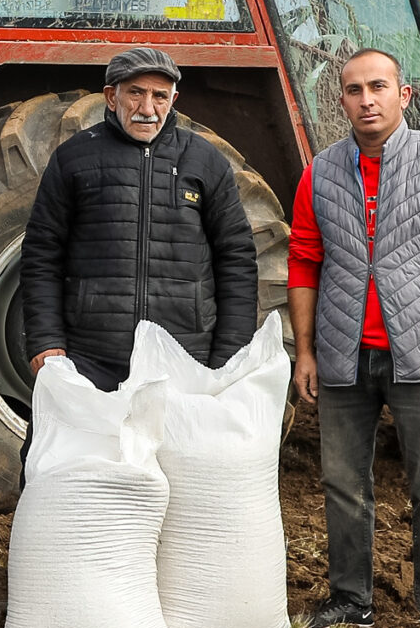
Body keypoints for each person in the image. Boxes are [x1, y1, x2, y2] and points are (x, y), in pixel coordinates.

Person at [288, 47, 420, 628]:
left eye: (378, 87)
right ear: (342, 102)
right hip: (342, 354)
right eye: (353, 90)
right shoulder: (320, 172)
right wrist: (306, 352)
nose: (366, 99)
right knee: (342, 484)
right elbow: (304, 259)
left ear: (403, 96)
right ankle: (351, 601)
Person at [21, 47, 258, 392]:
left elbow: (236, 260)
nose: (147, 109)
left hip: (186, 359)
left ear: (173, 100)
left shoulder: (206, 162)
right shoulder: (73, 160)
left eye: (159, 96)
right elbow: (42, 254)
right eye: (135, 93)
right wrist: (45, 338)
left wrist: (230, 354)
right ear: (111, 97)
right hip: (90, 359)